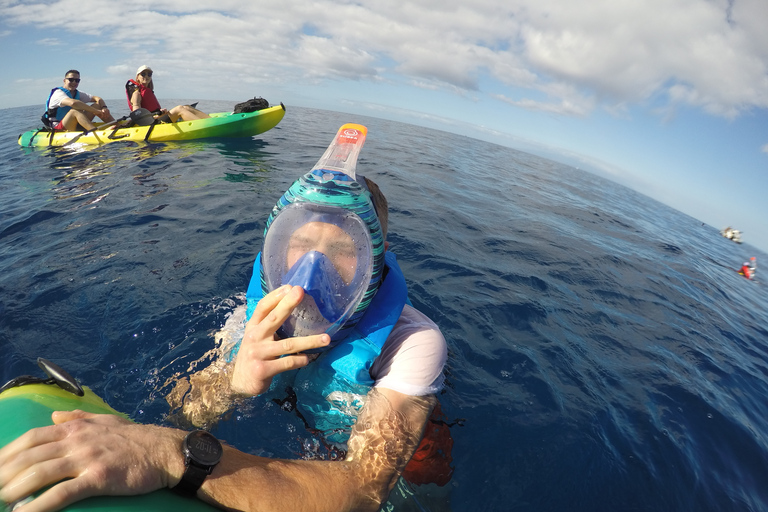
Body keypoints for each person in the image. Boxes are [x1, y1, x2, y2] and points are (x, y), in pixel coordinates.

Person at [0, 124, 449, 512]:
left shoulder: (412, 344)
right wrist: (233, 381)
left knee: (418, 481)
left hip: (384, 436)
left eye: (343, 252)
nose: (313, 272)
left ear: (378, 261)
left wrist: (169, 454)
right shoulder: (251, 318)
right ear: (279, 246)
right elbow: (182, 410)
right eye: (301, 246)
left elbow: (365, 492)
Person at [126, 65, 209, 122]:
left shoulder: (148, 91)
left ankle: (210, 120)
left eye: (149, 74)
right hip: (151, 123)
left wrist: (160, 112)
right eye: (143, 74)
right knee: (179, 108)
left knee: (186, 107)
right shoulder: (136, 94)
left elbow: (152, 110)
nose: (146, 76)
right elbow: (138, 116)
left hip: (157, 118)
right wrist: (154, 117)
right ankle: (205, 125)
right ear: (137, 77)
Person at [42, 70, 115, 131]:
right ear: (64, 81)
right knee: (75, 111)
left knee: (97, 105)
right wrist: (96, 112)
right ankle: (96, 132)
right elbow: (73, 103)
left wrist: (104, 108)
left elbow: (97, 98)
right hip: (58, 128)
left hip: (75, 124)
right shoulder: (58, 93)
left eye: (77, 80)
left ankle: (117, 125)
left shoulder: (77, 93)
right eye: (71, 80)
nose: (74, 82)